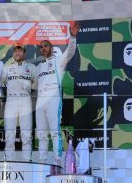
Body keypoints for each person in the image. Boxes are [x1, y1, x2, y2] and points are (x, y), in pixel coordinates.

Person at [35, 22, 79, 165]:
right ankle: (42, 161)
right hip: (40, 101)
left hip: (53, 99)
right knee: (41, 133)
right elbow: (33, 84)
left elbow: (71, 51)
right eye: (41, 47)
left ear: (52, 48)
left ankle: (57, 161)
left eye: (46, 46)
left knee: (54, 130)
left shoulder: (58, 61)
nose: (43, 48)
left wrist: (72, 37)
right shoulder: (38, 67)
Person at [1, 43, 36, 162]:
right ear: (13, 53)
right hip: (11, 100)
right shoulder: (7, 67)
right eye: (15, 50)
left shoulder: (31, 67)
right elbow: (2, 83)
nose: (17, 53)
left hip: (25, 100)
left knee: (26, 135)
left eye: (20, 50)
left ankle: (27, 161)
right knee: (9, 135)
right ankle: (9, 161)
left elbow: (36, 83)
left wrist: (28, 85)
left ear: (24, 53)